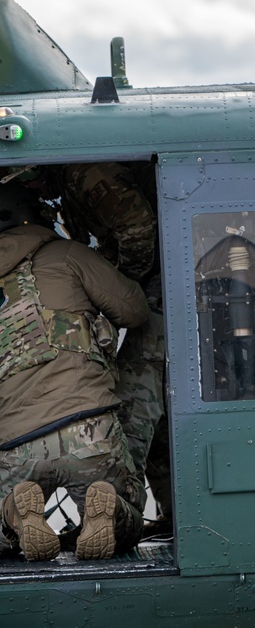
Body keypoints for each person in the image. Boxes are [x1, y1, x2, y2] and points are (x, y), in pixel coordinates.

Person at [4, 162, 171, 533]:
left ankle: (13, 517)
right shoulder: (66, 254)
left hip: (14, 447)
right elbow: (135, 310)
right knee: (119, 518)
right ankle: (112, 513)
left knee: (5, 530)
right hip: (89, 432)